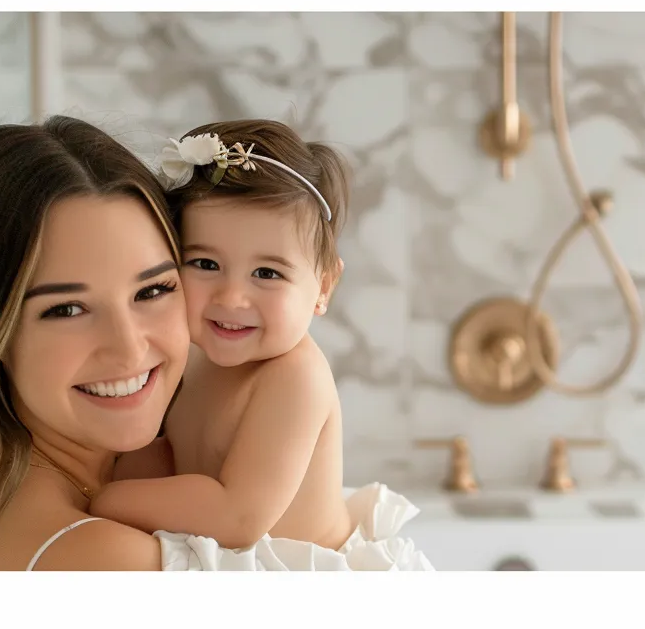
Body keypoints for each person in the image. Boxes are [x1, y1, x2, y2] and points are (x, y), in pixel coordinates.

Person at [86, 119, 433, 571]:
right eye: (206, 263)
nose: (231, 298)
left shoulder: (295, 377)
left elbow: (239, 516)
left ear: (323, 286)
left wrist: (107, 499)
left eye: (267, 274)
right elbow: (162, 451)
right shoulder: (191, 356)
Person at [0, 115, 193, 571]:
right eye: (66, 309)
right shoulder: (100, 560)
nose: (128, 348)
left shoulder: (15, 500)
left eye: (153, 291)